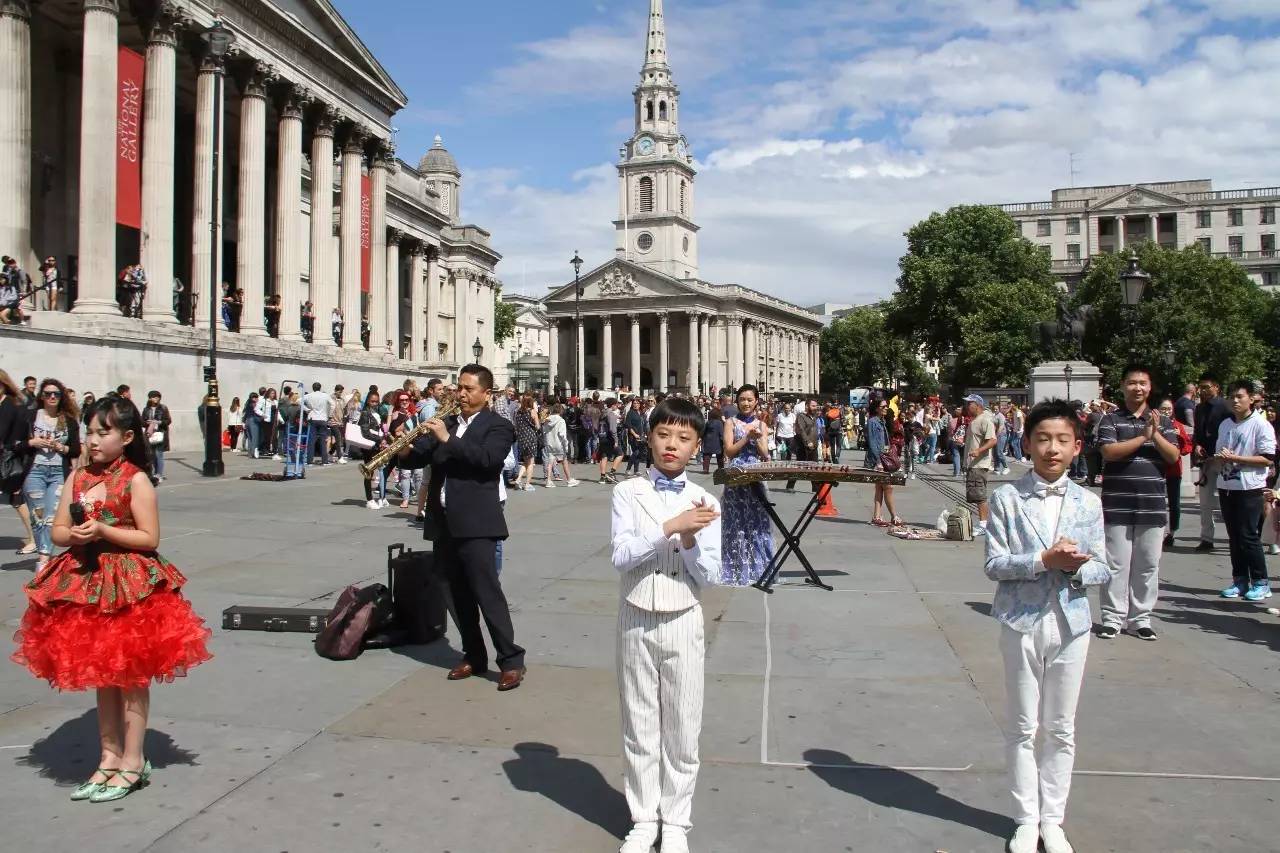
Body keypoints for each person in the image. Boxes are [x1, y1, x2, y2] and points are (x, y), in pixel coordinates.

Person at [10, 395, 212, 802]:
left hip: (131, 585)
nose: (94, 440)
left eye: (104, 432)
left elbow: (149, 538)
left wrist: (103, 531)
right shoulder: (78, 478)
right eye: (90, 431)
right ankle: (108, 757)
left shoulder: (135, 479)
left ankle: (133, 761)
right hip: (87, 583)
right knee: (104, 675)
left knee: (131, 675)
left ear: (128, 436)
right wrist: (78, 535)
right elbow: (60, 531)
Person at [983, 399, 1111, 853]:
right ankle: (1025, 818)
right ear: (1027, 443)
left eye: (1061, 440)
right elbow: (995, 564)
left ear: (1077, 447)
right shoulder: (1006, 498)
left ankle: (1053, 819)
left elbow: (1105, 568)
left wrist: (1076, 568)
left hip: (1071, 623)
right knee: (1021, 726)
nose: (1051, 449)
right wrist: (1043, 560)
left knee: (1061, 727)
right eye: (1042, 439)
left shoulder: (1088, 503)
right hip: (1020, 621)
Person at [611, 396, 722, 853]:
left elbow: (712, 575)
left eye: (683, 437)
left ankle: (676, 819)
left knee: (683, 722)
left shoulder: (706, 500)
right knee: (639, 721)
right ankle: (643, 816)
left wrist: (692, 542)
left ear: (696, 446)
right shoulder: (627, 492)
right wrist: (669, 527)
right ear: (649, 436)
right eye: (663, 434)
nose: (671, 445)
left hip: (682, 616)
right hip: (636, 613)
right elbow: (621, 556)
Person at [398, 364, 525, 690]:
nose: (462, 394)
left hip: (477, 522)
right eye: (460, 387)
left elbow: (486, 461)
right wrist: (405, 447)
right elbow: (420, 457)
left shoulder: (498, 426)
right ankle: (473, 653)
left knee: (486, 591)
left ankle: (510, 660)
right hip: (444, 523)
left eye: (469, 388)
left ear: (486, 393)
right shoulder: (448, 422)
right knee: (452, 590)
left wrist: (447, 439)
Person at [1095, 366, 1180, 641]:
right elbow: (1109, 452)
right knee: (1115, 564)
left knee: (1147, 564)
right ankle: (1112, 618)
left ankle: (1140, 618)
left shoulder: (1163, 422)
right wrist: (1142, 437)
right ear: (1123, 386)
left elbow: (1173, 456)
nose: (1138, 388)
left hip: (1152, 503)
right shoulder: (1110, 420)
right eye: (1132, 383)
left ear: (1150, 387)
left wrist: (1154, 433)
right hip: (1118, 504)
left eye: (1143, 383)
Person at [1215, 380, 1277, 601]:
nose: (1235, 400)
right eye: (1231, 396)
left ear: (1251, 398)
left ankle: (1261, 581)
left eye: (1239, 396)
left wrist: (1236, 458)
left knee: (1248, 535)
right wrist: (1216, 459)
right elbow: (1220, 454)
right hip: (1226, 485)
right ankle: (1240, 579)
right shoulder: (1225, 425)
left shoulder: (1260, 425)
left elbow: (1267, 459)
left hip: (1249, 487)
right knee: (1233, 536)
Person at [16, 378, 81, 570]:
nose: (52, 397)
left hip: (58, 473)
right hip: (34, 472)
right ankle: (44, 555)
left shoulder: (68, 420)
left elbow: (76, 449)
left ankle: (43, 559)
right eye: (48, 394)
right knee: (38, 517)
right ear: (41, 396)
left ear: (61, 397)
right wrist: (32, 443)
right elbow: (16, 445)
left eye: (56, 394)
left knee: (52, 517)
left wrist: (61, 446)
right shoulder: (30, 417)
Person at [720, 385, 772, 587]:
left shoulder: (761, 424)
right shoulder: (731, 422)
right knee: (736, 521)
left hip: (755, 475)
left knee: (757, 522)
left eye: (750, 399)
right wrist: (745, 438)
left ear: (756, 401)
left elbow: (765, 454)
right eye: (742, 399)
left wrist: (758, 439)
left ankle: (758, 568)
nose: (746, 403)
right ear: (737, 401)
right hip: (736, 476)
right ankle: (734, 569)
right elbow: (730, 451)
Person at [1191, 374, 1232, 551]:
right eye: (1201, 387)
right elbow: (1198, 431)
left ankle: (1234, 536)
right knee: (1205, 500)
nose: (1204, 391)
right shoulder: (1199, 408)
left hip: (1223, 458)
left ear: (1216, 387)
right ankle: (1207, 537)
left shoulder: (1226, 406)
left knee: (1227, 500)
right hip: (1206, 459)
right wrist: (1197, 446)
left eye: (1207, 387)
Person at [964, 394, 998, 536]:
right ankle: (983, 522)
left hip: (980, 464)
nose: (967, 407)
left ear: (977, 405)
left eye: (969, 404)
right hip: (973, 464)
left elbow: (992, 440)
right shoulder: (975, 421)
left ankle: (984, 524)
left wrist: (979, 450)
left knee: (980, 495)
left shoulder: (985, 420)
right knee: (976, 495)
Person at [866, 398, 902, 527]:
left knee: (880, 488)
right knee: (888, 487)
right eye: (883, 406)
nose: (886, 408)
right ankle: (894, 516)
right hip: (878, 460)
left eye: (886, 406)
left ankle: (876, 516)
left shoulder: (882, 421)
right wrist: (878, 461)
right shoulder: (872, 422)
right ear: (877, 408)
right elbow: (872, 443)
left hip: (883, 459)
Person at [357, 390, 389, 509]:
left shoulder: (377, 412)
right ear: (368, 401)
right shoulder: (365, 413)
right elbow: (365, 432)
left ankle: (382, 497)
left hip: (377, 445)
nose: (375, 403)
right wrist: (380, 439)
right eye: (372, 401)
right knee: (369, 472)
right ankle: (369, 499)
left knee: (381, 470)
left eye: (376, 401)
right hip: (369, 447)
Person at [539, 404, 578, 487]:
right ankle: (569, 479)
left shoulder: (547, 420)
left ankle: (548, 480)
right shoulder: (561, 420)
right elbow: (562, 434)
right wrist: (566, 445)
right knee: (564, 461)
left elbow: (544, 431)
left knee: (550, 461)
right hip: (559, 444)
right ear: (561, 411)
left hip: (549, 443)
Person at [784, 398, 818, 492]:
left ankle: (815, 488)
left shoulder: (814, 416)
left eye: (816, 406)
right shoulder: (801, 416)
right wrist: (808, 442)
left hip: (814, 446)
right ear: (807, 406)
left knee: (814, 467)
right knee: (799, 466)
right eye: (813, 406)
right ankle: (790, 485)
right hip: (803, 446)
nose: (815, 407)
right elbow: (801, 431)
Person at [141, 391, 171, 482]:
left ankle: (159, 474)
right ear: (150, 398)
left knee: (159, 454)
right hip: (150, 434)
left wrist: (159, 422)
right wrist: (147, 422)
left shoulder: (163, 408)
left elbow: (168, 421)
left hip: (160, 433)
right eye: (154, 397)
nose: (156, 399)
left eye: (158, 397)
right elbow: (142, 421)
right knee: (152, 455)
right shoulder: (146, 409)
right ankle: (155, 472)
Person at [512, 393, 540, 491]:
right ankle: (527, 483)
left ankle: (519, 479)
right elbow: (538, 426)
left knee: (525, 461)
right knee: (531, 462)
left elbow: (516, 425)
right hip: (531, 437)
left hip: (522, 439)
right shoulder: (532, 411)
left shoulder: (518, 412)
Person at [303, 382, 331, 466]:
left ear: (313, 388)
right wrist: (329, 414)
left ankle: (309, 461)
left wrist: (306, 409)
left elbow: (298, 401)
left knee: (311, 440)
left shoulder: (309, 395)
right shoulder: (325, 395)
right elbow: (333, 404)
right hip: (323, 418)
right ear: (320, 387)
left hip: (313, 418)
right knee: (323, 440)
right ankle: (324, 461)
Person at [625, 397, 648, 477]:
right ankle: (628, 469)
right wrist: (634, 434)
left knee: (639, 453)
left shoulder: (642, 413)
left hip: (641, 436)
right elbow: (628, 425)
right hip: (633, 436)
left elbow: (644, 424)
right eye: (634, 403)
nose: (636, 405)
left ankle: (636, 470)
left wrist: (645, 434)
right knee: (636, 452)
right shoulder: (630, 413)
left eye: (638, 403)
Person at [700, 405, 724, 473]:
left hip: (708, 441)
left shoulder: (708, 422)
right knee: (719, 457)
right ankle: (721, 469)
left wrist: (702, 438)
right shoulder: (719, 423)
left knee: (707, 456)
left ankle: (705, 469)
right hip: (717, 442)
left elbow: (703, 431)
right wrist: (723, 441)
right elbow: (721, 433)